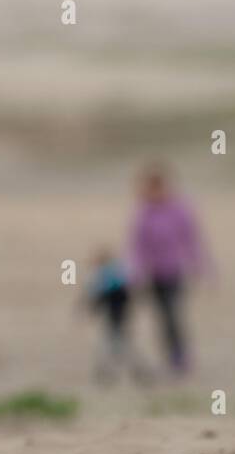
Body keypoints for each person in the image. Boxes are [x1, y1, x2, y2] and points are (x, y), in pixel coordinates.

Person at [126, 164, 210, 375]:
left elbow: (191, 240)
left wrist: (200, 265)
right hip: (153, 273)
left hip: (174, 270)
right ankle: (170, 356)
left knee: (173, 313)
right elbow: (137, 246)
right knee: (162, 316)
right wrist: (135, 271)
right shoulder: (143, 213)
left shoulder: (179, 210)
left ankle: (180, 356)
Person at [85, 246, 148, 384]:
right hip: (121, 313)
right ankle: (135, 369)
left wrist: (91, 307)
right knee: (121, 342)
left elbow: (100, 295)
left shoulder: (106, 275)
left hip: (115, 314)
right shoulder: (119, 273)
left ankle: (111, 371)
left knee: (114, 342)